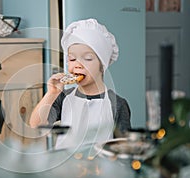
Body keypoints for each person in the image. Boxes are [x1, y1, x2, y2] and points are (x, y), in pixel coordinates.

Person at [29, 18, 131, 149]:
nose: (78, 65)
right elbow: (36, 125)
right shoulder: (63, 98)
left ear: (102, 65)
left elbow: (125, 148)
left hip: (101, 168)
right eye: (72, 59)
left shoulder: (118, 104)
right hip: (66, 168)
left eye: (87, 58)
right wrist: (51, 93)